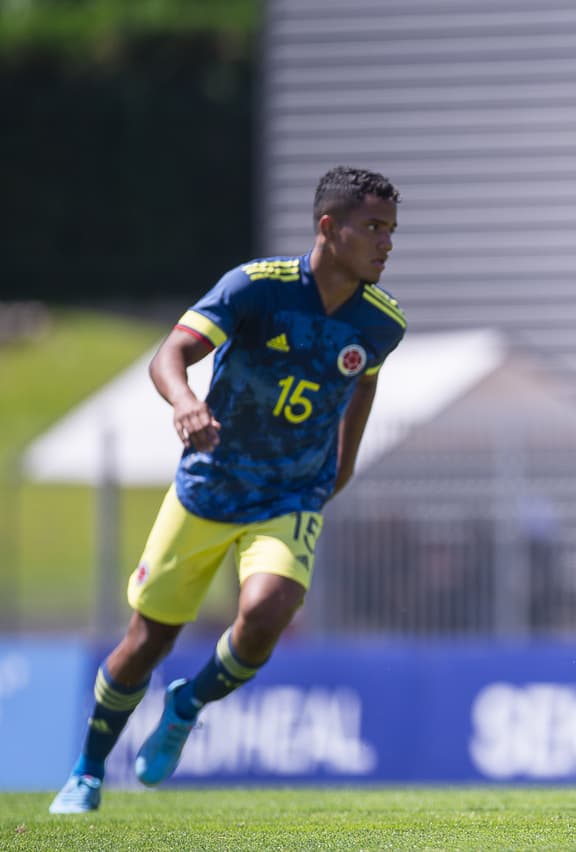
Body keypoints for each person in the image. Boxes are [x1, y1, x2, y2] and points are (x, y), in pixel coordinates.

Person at [49, 166, 406, 813]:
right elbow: (170, 355)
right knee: (146, 642)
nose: (386, 244)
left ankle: (187, 704)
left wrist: (342, 468)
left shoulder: (382, 323)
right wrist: (185, 404)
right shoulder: (253, 289)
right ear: (329, 228)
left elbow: (366, 386)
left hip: (291, 495)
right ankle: (88, 770)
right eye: (373, 228)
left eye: (392, 231)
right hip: (209, 490)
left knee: (269, 611)